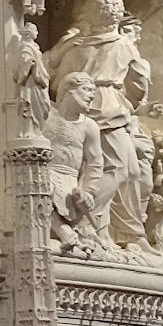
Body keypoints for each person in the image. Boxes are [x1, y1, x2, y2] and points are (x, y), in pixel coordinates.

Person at [44, 0, 153, 250]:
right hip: (109, 108)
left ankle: (126, 231)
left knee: (126, 169)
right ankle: (86, 220)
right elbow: (139, 82)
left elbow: (54, 77)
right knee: (118, 169)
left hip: (85, 106)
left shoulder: (75, 44)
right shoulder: (123, 46)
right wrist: (130, 101)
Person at [43, 72, 105, 249]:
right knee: (40, 188)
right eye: (86, 89)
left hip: (70, 184)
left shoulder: (89, 126)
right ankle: (62, 230)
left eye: (93, 91)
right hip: (45, 173)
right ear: (68, 90)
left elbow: (95, 163)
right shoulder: (46, 115)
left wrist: (89, 191)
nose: (91, 95)